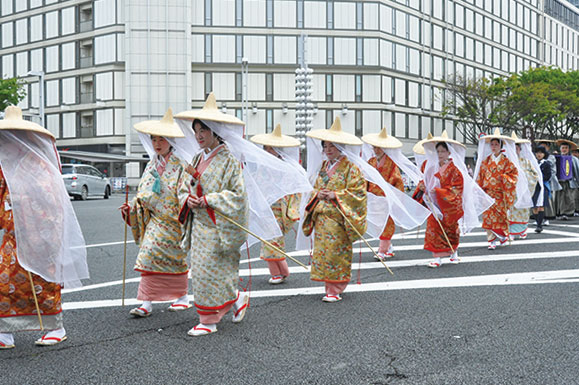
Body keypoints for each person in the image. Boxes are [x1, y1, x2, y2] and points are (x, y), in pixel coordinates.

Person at [0, 106, 89, 349]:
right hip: (13, 236)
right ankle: (6, 331)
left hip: (40, 234)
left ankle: (55, 327)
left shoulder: (38, 163)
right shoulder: (5, 165)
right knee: (5, 281)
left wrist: (22, 201)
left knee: (43, 281)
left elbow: (51, 198)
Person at [120, 109, 191, 318]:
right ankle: (146, 302)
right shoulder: (152, 164)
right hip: (156, 221)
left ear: (171, 141)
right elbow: (143, 192)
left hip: (175, 221)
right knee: (148, 254)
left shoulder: (181, 165)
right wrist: (132, 207)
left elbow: (184, 191)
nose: (157, 143)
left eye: (162, 139)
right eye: (153, 139)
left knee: (175, 261)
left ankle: (182, 297)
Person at [302, 118, 367, 302]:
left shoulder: (351, 169)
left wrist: (336, 195)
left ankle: (335, 288)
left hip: (339, 217)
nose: (328, 150)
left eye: (332, 146)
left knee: (335, 252)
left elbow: (358, 193)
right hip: (322, 217)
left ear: (341, 147)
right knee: (324, 251)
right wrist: (318, 194)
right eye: (325, 146)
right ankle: (329, 286)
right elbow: (315, 188)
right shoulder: (323, 167)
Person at [250, 124, 304, 285]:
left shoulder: (286, 168)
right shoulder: (262, 168)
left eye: (271, 149)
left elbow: (293, 188)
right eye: (266, 148)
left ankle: (278, 272)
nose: (267, 152)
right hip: (265, 209)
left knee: (272, 241)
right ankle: (281, 271)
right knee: (267, 241)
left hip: (280, 210)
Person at [362, 128, 406, 260]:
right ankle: (388, 247)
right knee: (378, 224)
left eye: (379, 148)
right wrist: (364, 192)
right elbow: (366, 178)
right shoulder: (371, 162)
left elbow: (397, 181)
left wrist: (395, 198)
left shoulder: (391, 164)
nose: (376, 150)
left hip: (386, 199)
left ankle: (382, 250)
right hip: (373, 198)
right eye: (375, 147)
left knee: (387, 224)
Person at [420, 139, 464, 268]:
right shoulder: (430, 166)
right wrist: (422, 186)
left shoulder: (455, 170)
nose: (440, 154)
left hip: (447, 204)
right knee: (434, 228)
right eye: (438, 151)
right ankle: (437, 257)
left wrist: (440, 192)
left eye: (443, 151)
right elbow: (423, 180)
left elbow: (457, 188)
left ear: (449, 152)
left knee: (451, 229)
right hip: (433, 203)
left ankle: (453, 251)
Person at [474, 129, 520, 250]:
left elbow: (514, 175)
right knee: (488, 218)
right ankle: (491, 240)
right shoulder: (485, 161)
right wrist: (480, 191)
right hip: (488, 193)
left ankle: (503, 236)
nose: (494, 147)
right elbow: (480, 176)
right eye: (492, 144)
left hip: (500, 194)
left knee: (500, 218)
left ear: (501, 146)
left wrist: (504, 177)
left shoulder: (507, 162)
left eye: (496, 144)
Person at [508, 134, 539, 240]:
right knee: (511, 211)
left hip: (524, 190)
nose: (515, 150)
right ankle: (511, 232)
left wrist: (526, 180)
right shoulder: (508, 162)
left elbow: (534, 175)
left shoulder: (526, 161)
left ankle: (522, 231)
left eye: (517, 148)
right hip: (512, 191)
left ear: (520, 149)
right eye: (513, 148)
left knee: (524, 211)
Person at [535, 139, 560, 224]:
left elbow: (552, 171)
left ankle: (548, 217)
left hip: (549, 181)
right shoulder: (535, 160)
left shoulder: (551, 157)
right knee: (537, 200)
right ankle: (538, 218)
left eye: (544, 147)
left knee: (548, 200)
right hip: (537, 182)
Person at [554, 140, 579, 220]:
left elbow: (577, 170)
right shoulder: (557, 158)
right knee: (559, 198)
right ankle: (560, 212)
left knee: (569, 197)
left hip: (569, 182)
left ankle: (567, 213)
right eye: (563, 148)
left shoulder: (573, 159)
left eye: (566, 148)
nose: (564, 150)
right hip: (559, 182)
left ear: (568, 150)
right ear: (560, 149)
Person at [532, 146, 552, 233]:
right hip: (534, 187)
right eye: (537, 153)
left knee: (541, 206)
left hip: (543, 186)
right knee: (534, 207)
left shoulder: (546, 163)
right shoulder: (533, 163)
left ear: (544, 154)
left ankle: (539, 226)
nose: (539, 154)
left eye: (541, 153)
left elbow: (548, 176)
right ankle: (538, 222)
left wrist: (539, 177)